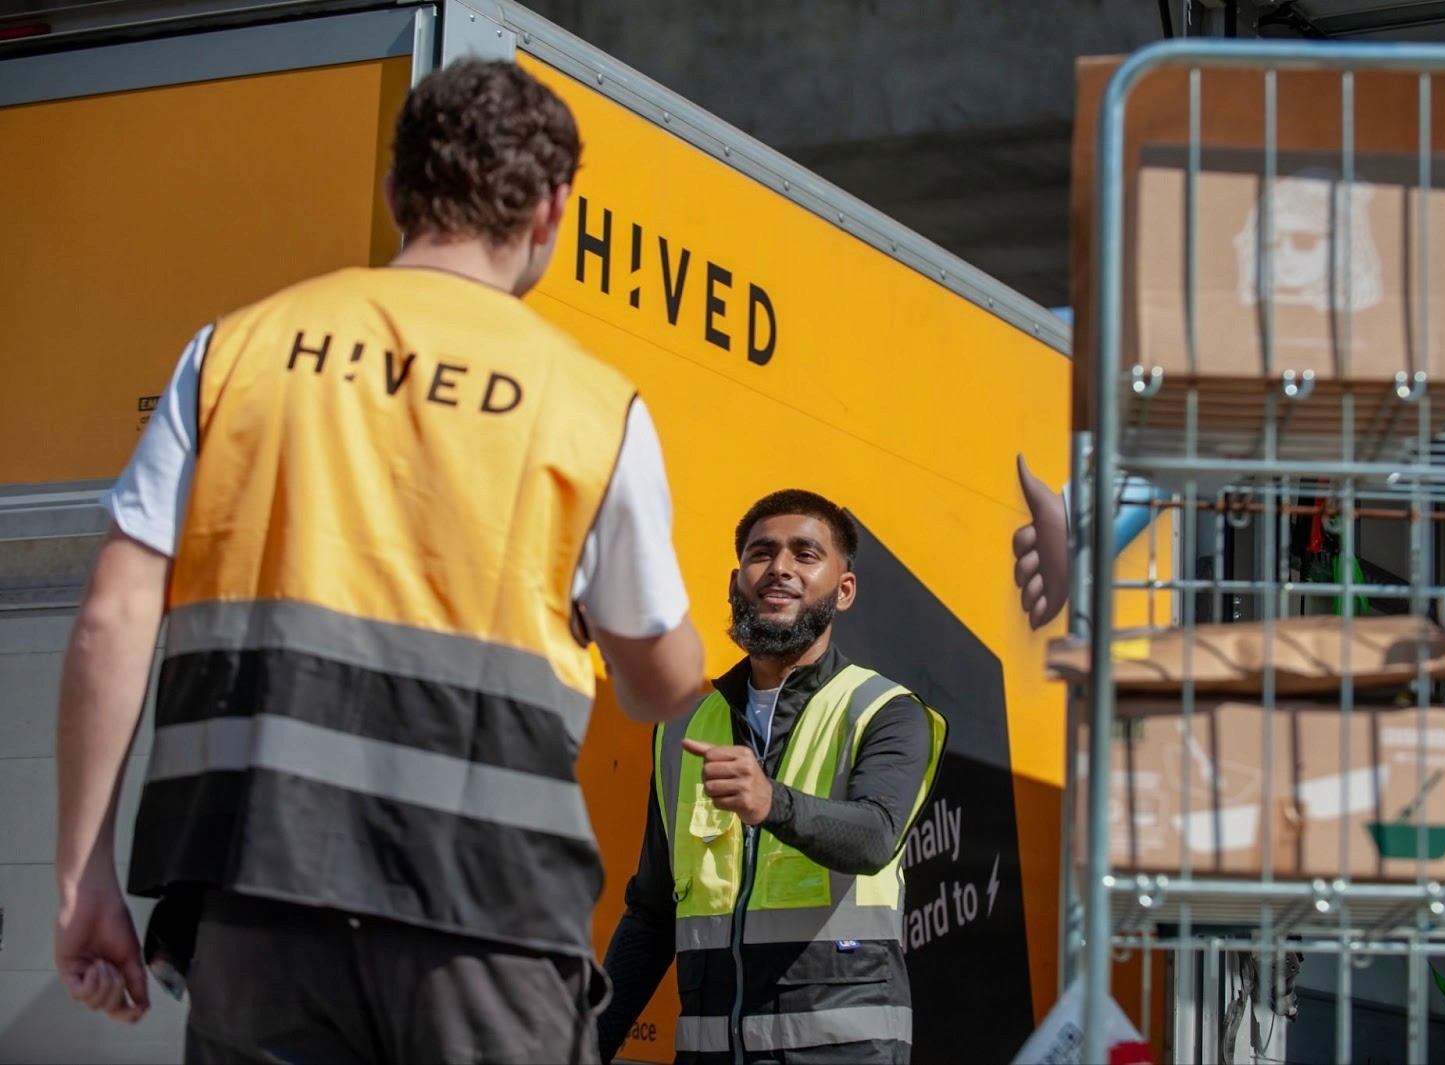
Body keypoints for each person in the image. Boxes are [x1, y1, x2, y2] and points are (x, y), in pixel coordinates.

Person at [52, 58, 704, 1065]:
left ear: (395, 194)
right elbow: (660, 685)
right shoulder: (590, 406)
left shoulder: (233, 352)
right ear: (550, 212)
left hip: (259, 900)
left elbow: (112, 616)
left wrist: (82, 875)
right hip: (487, 916)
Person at [598, 489, 948, 1064]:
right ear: (735, 583)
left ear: (844, 590)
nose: (779, 567)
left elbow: (875, 836)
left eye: (805, 554)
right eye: (761, 553)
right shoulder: (681, 727)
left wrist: (772, 803)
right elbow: (652, 916)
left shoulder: (886, 711)